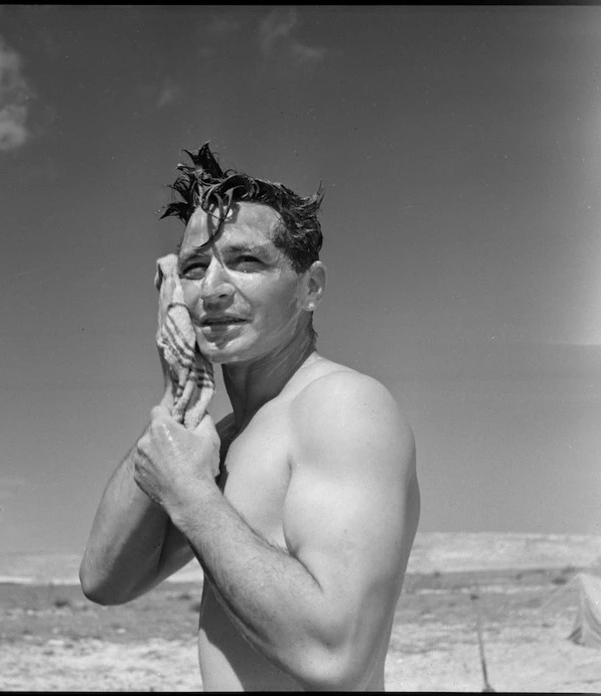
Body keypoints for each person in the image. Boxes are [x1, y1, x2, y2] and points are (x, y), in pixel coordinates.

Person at [80, 143, 420, 691]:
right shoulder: (221, 438)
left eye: (246, 260)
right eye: (195, 268)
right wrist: (179, 395)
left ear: (311, 287)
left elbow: (336, 656)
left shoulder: (339, 405)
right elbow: (104, 579)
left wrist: (191, 497)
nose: (213, 288)